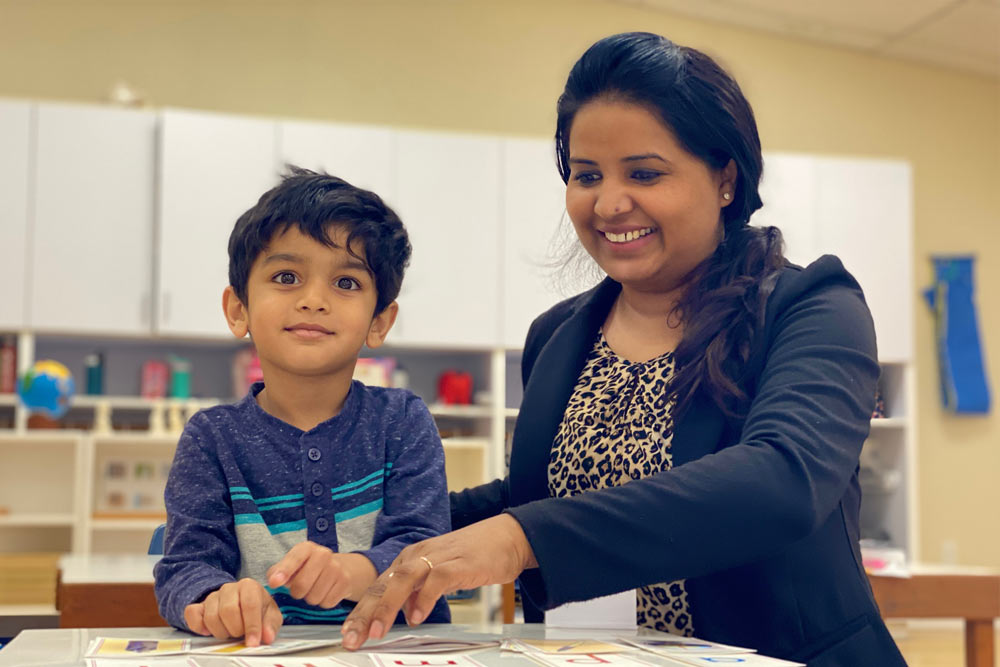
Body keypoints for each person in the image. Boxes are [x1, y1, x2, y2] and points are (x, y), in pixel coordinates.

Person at [340, 32, 908, 666]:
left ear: (725, 178)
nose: (608, 203)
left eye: (644, 173)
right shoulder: (556, 336)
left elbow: (782, 479)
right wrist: (364, 525)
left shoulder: (812, 306)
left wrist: (525, 539)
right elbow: (543, 496)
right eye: (587, 176)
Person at [153, 168, 451, 647]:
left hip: (397, 651)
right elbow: (185, 567)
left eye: (347, 283)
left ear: (380, 321)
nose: (314, 300)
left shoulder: (402, 421)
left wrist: (353, 571)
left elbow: (425, 547)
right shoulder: (211, 438)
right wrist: (219, 597)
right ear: (238, 309)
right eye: (286, 277)